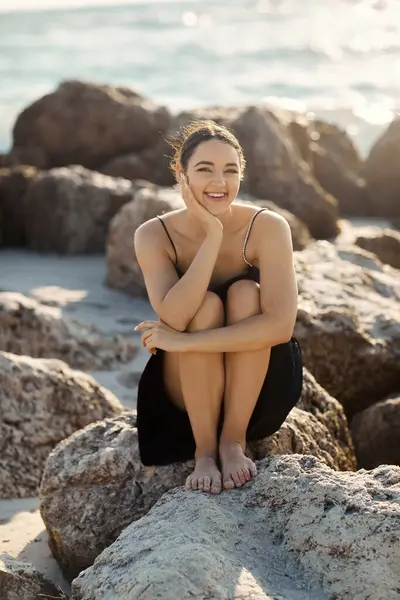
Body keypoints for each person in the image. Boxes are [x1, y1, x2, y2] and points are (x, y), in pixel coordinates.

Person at [134, 119, 303, 495]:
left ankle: (233, 441)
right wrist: (212, 235)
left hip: (258, 384)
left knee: (245, 293)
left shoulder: (267, 226)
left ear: (242, 174)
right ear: (182, 176)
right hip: (187, 395)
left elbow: (279, 327)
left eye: (230, 170)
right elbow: (175, 318)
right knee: (204, 306)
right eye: (204, 170)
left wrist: (185, 342)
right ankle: (205, 450)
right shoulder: (153, 235)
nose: (219, 182)